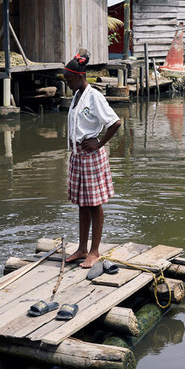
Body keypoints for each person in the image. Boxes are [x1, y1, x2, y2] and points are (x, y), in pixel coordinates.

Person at [62, 52, 121, 268]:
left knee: (95, 204)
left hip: (91, 155)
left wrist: (99, 143)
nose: (67, 84)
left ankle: (94, 251)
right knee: (82, 204)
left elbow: (115, 122)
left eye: (69, 80)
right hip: (78, 156)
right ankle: (81, 248)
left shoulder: (93, 96)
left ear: (80, 76)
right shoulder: (77, 96)